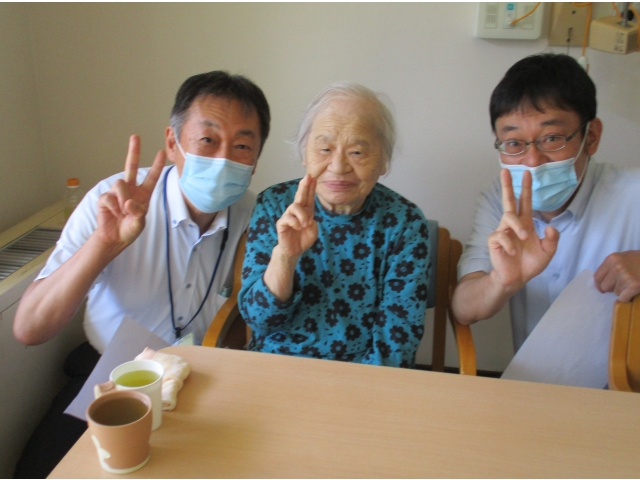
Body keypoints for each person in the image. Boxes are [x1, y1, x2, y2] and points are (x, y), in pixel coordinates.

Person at [12, 70, 270, 478]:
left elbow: (248, 317)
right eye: (207, 140)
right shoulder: (113, 202)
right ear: (172, 142)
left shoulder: (258, 217)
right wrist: (104, 244)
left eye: (242, 146)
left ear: (254, 162)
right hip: (111, 376)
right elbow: (30, 328)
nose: (223, 160)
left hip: (205, 383)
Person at [452, 53, 640, 353]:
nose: (532, 161)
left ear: (591, 137)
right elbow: (464, 309)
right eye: (514, 144)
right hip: (533, 380)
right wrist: (501, 281)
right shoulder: (498, 199)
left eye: (551, 138)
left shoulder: (633, 192)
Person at [238, 82, 433, 368]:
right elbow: (260, 321)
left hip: (364, 376)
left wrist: (356, 390)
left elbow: (398, 341)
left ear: (383, 161)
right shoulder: (274, 206)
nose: (339, 166)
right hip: (277, 368)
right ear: (304, 153)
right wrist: (285, 258)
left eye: (357, 152)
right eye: (325, 149)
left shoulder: (405, 223)